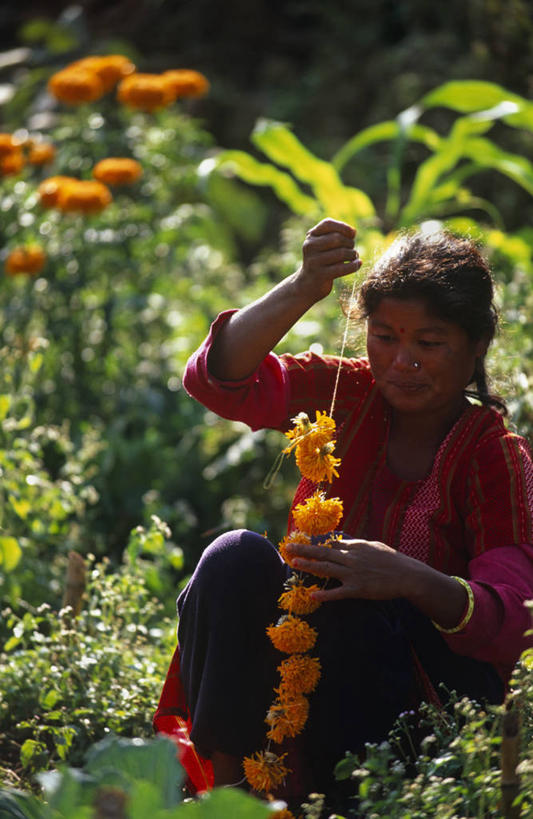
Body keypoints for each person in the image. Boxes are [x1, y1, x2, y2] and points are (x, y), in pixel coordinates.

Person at [156, 219, 533, 804]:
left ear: (476, 344)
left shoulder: (494, 455)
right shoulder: (347, 392)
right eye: (385, 336)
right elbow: (218, 381)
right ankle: (233, 802)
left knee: (355, 610)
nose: (402, 361)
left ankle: (344, 805)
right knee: (234, 557)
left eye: (428, 344)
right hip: (297, 667)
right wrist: (305, 284)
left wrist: (406, 579)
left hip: (412, 717)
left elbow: (513, 617)